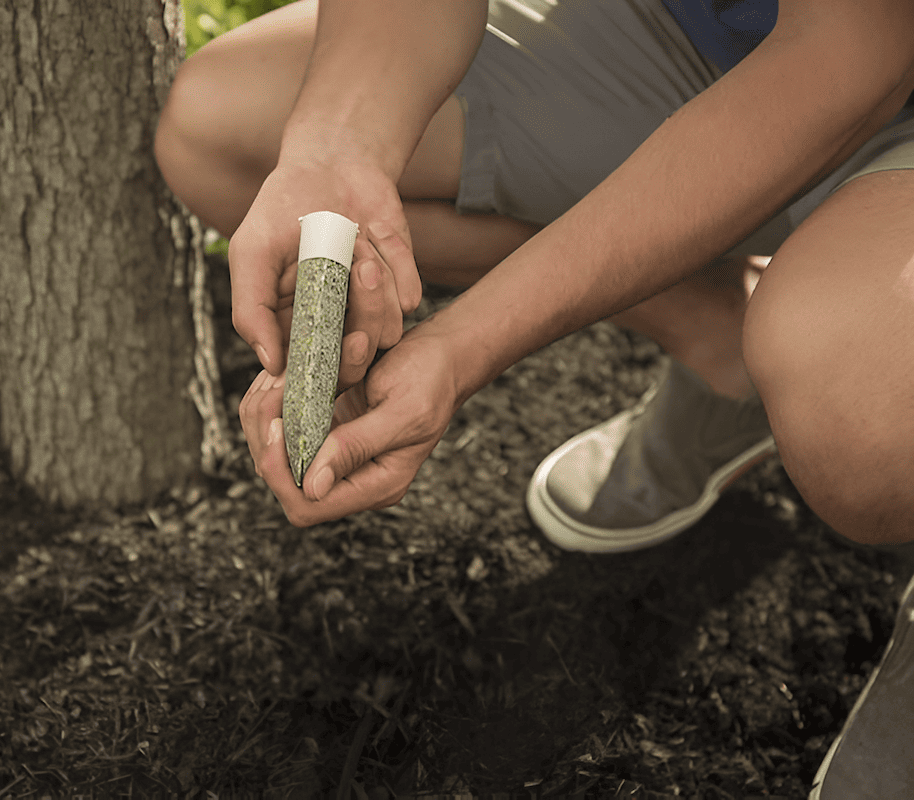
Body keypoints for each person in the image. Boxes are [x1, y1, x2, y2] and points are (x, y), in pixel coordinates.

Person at [154, 1, 914, 796]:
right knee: (219, 130)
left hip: (867, 65)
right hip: (690, 28)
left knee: (861, 410)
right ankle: (726, 352)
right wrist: (335, 153)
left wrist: (465, 345)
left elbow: (847, 61)